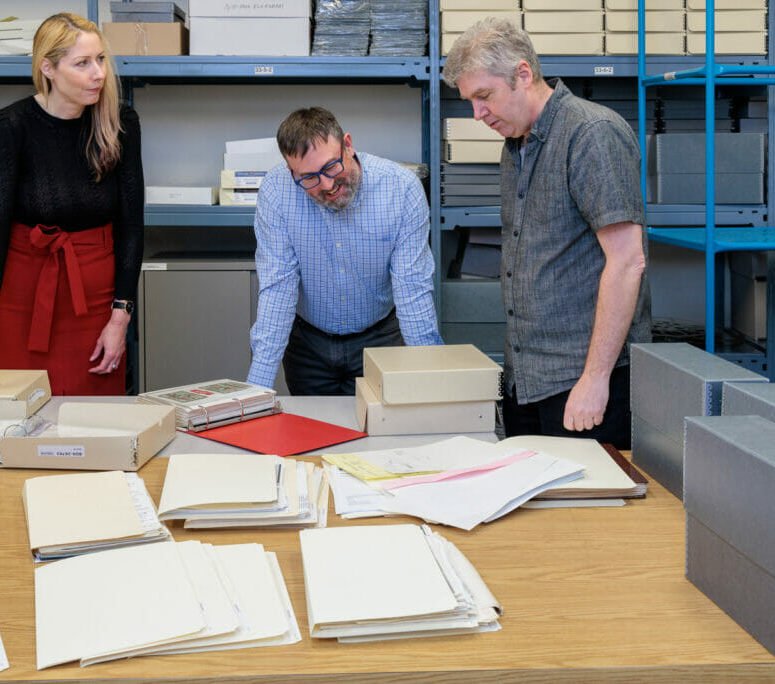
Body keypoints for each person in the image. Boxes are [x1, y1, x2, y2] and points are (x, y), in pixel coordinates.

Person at [443, 18, 651, 449]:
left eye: (484, 97)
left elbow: (628, 261)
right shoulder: (514, 146)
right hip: (527, 379)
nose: (477, 114)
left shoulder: (591, 134)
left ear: (523, 74)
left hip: (584, 383)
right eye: (469, 101)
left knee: (585, 514)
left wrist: (594, 380)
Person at [0, 12, 143, 396]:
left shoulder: (120, 122)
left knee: (94, 426)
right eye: (83, 63)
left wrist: (120, 319)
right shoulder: (12, 126)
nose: (99, 74)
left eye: (101, 59)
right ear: (48, 68)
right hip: (23, 298)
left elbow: (132, 227)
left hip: (95, 302)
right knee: (19, 421)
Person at [247, 107, 443, 396]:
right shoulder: (276, 191)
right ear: (292, 172)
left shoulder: (401, 189)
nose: (326, 185)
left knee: (385, 434)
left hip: (381, 340)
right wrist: (255, 393)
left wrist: (434, 386)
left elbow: (412, 292)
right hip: (308, 346)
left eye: (330, 167)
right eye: (309, 178)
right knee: (313, 434)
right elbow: (278, 289)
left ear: (348, 145)